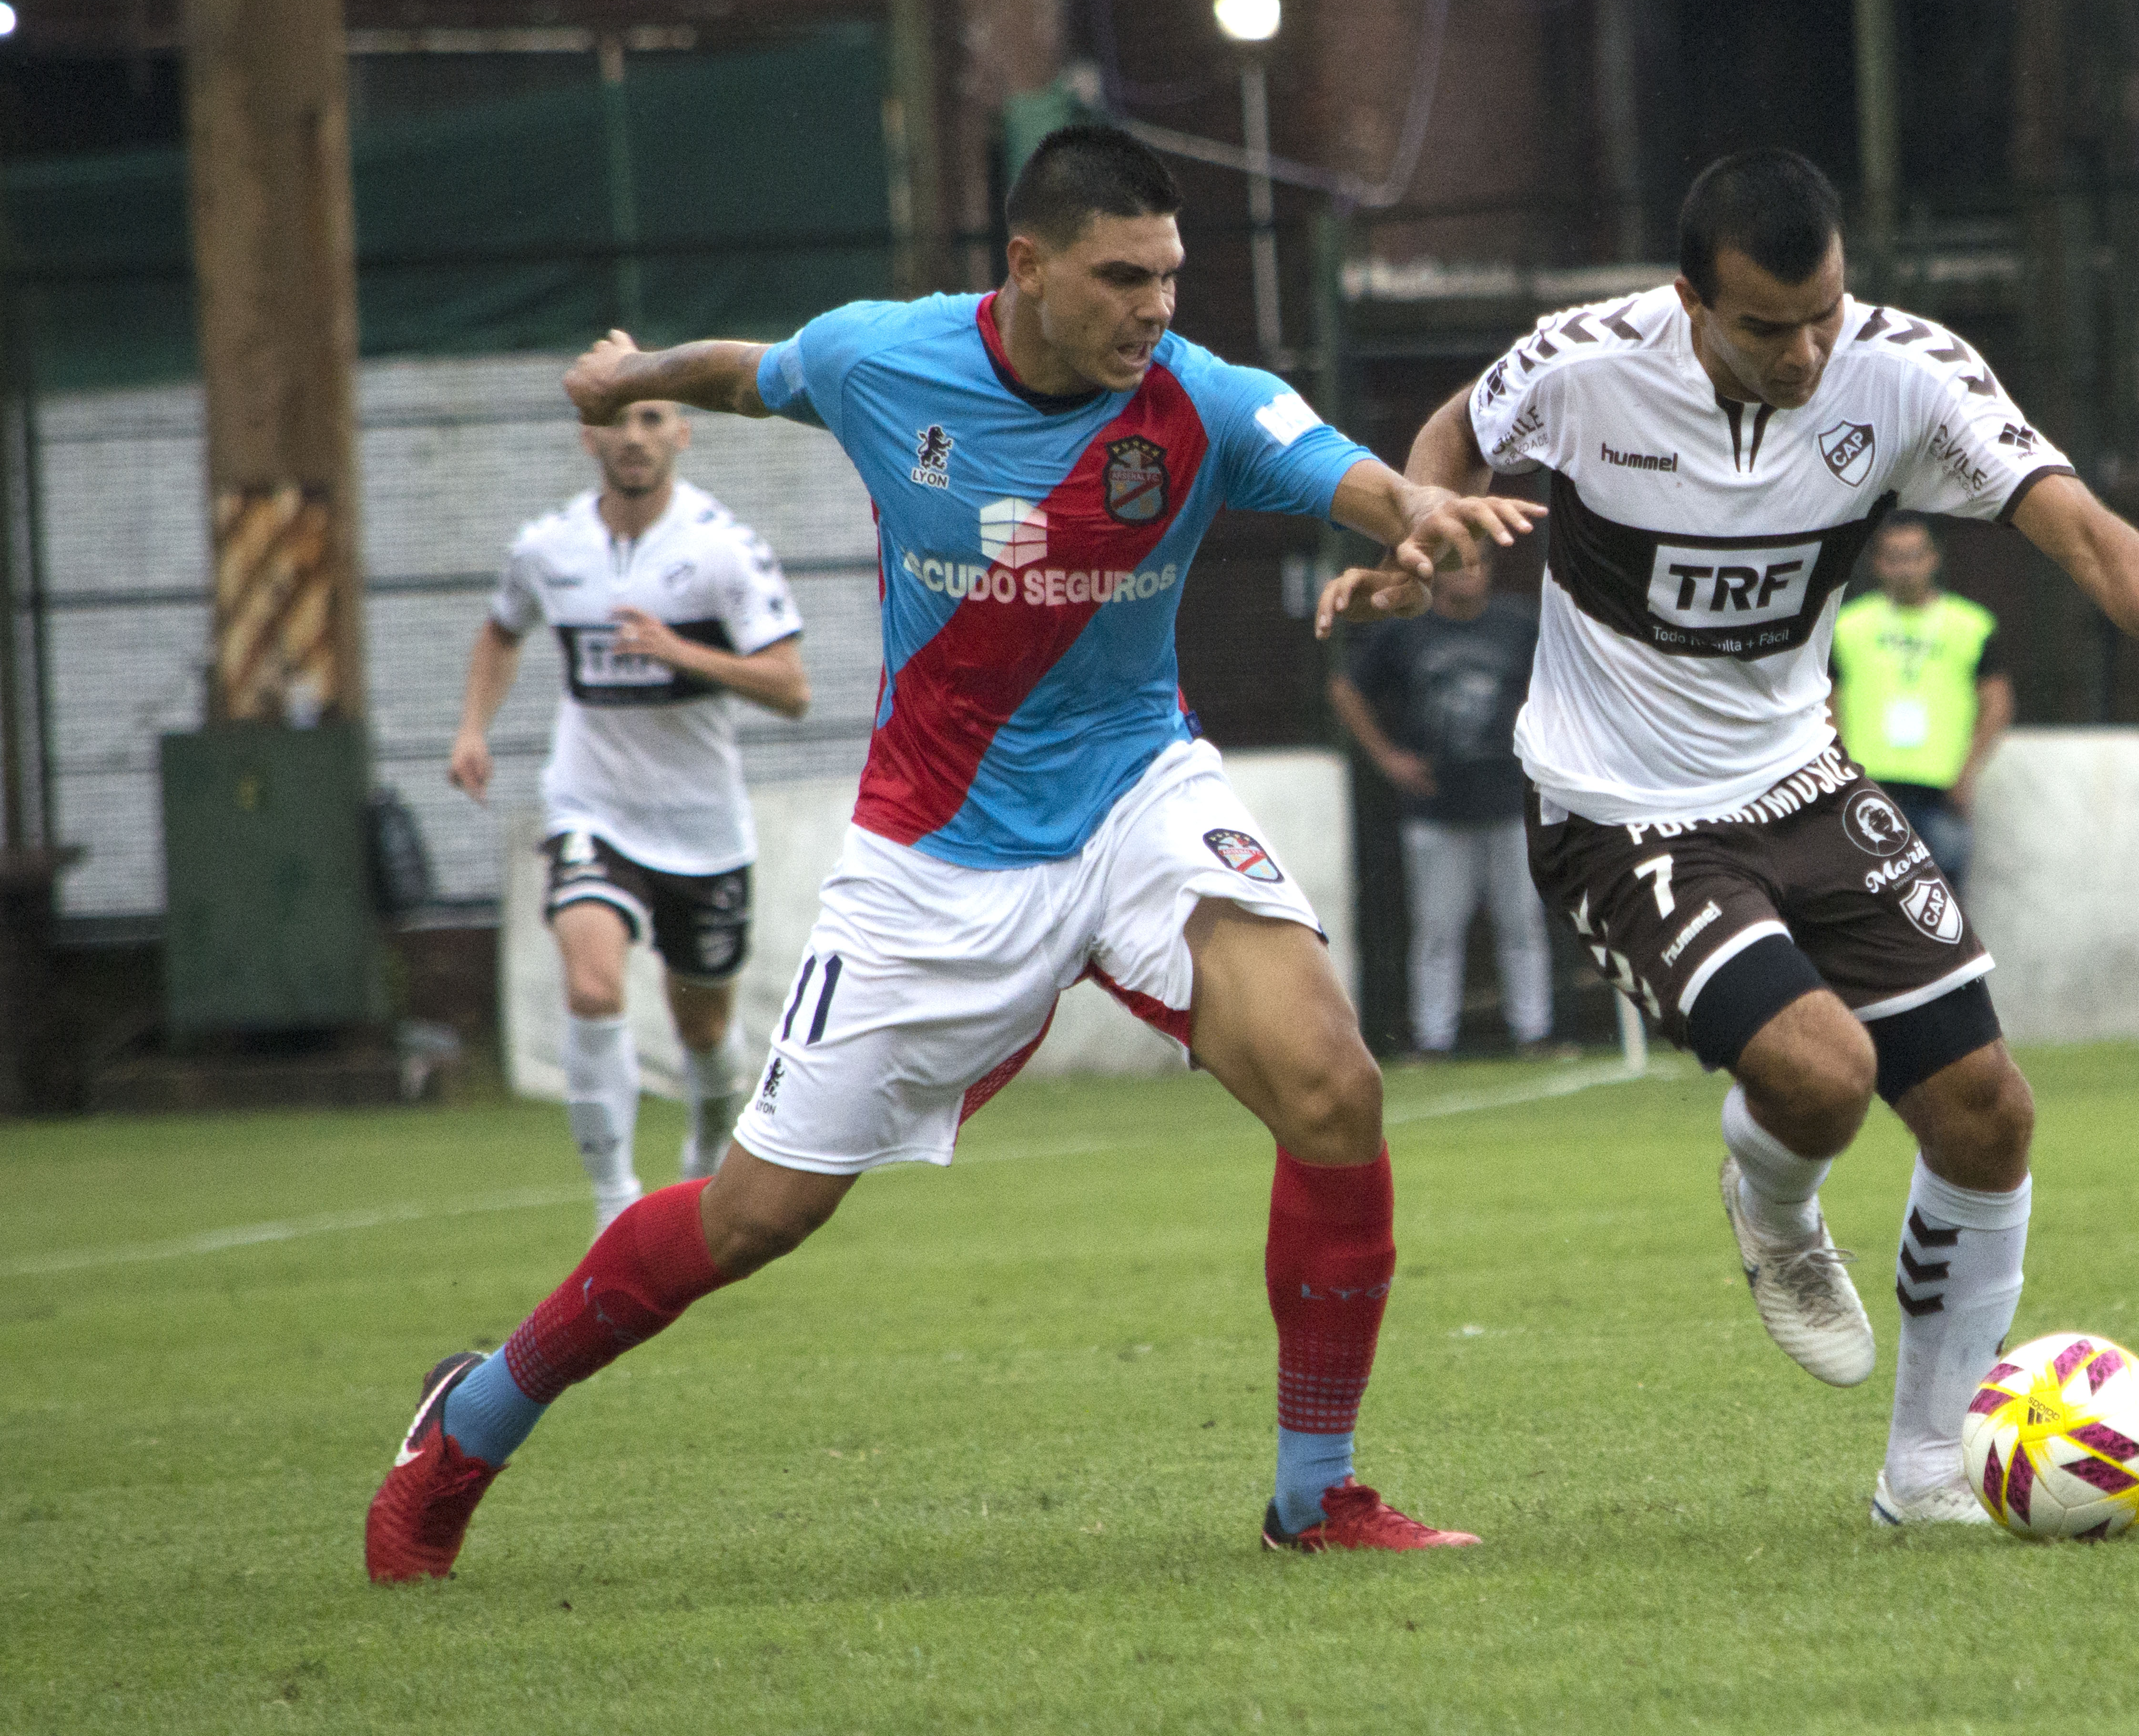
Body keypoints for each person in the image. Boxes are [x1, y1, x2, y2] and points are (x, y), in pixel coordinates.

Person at [368, 124, 1538, 1581]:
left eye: (1170, 277)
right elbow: (756, 371)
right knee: (755, 1216)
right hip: (935, 850)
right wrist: (640, 374)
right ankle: (465, 1424)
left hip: (1136, 799)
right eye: (1121, 278)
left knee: (1331, 1080)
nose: (1154, 309)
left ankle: (1317, 1494)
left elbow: (1338, 467)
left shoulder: (1200, 398)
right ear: (1027, 265)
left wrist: (1420, 510)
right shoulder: (882, 361)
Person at [1320, 148, 2139, 1527]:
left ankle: (1929, 1471)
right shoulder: (1589, 366)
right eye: (1769, 327)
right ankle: (1773, 1210)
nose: (1809, 349)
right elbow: (1455, 436)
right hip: (1619, 809)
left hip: (1805, 783)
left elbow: (2074, 525)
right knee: (1823, 1079)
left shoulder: (1905, 371)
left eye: (1824, 312)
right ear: (1689, 301)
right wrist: (1424, 539)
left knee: (1987, 1113)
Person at [449, 398, 810, 1235]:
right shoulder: (549, 548)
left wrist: (681, 652)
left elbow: (791, 689)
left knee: (704, 1025)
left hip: (701, 826)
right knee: (592, 983)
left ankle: (705, 1154)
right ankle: (616, 1204)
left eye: (653, 419)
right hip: (590, 806)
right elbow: (501, 633)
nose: (635, 437)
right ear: (590, 438)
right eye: (618, 421)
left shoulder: (725, 549)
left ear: (682, 433)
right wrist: (473, 728)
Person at [1326, 556, 1558, 1059]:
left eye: (1479, 562)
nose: (1472, 573)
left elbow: (1559, 688)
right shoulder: (1407, 631)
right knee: (1437, 930)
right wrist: (1387, 758)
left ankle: (1534, 1033)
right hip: (1435, 807)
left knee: (1522, 922)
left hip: (1507, 799)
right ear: (1439, 573)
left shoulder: (1517, 626)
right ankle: (1434, 1040)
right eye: (1460, 564)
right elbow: (1345, 688)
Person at [1828, 513, 2013, 897]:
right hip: (1868, 788)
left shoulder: (1971, 625)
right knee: (1869, 906)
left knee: (1941, 904)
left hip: (1942, 791)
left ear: (1934, 559)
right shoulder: (1848, 626)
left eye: (1915, 556)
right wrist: (1840, 773)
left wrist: (1968, 771)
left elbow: (1997, 704)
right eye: (1895, 558)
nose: (1906, 568)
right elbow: (1828, 704)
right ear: (1877, 563)